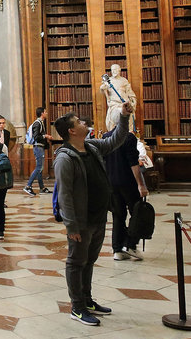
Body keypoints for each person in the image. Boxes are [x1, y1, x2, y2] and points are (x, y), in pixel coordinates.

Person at [53, 99, 134, 326]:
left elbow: (116, 140)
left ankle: (87, 300)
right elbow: (65, 195)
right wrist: (71, 226)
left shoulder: (91, 147)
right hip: (81, 220)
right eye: (79, 121)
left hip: (98, 216)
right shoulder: (64, 158)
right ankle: (77, 307)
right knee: (76, 262)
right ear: (72, 131)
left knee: (89, 260)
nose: (83, 123)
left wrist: (124, 117)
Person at [104, 127, 148, 261]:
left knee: (118, 215)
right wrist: (141, 184)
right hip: (128, 182)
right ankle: (130, 245)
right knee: (137, 213)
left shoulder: (106, 136)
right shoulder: (128, 137)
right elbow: (133, 163)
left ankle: (117, 249)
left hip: (111, 182)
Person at [24, 107, 53, 196]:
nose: (47, 113)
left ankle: (42, 188)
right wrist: (46, 136)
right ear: (42, 113)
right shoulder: (38, 123)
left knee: (40, 168)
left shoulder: (40, 123)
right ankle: (28, 186)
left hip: (39, 147)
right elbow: (36, 137)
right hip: (38, 147)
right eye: (45, 112)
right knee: (39, 167)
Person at [99, 64, 137, 132]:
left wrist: (133, 102)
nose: (114, 71)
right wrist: (102, 88)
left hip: (124, 103)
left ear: (119, 70)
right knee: (114, 121)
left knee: (128, 120)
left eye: (115, 69)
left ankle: (128, 134)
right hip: (114, 104)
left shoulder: (124, 80)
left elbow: (130, 92)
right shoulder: (108, 81)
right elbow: (103, 90)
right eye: (112, 70)